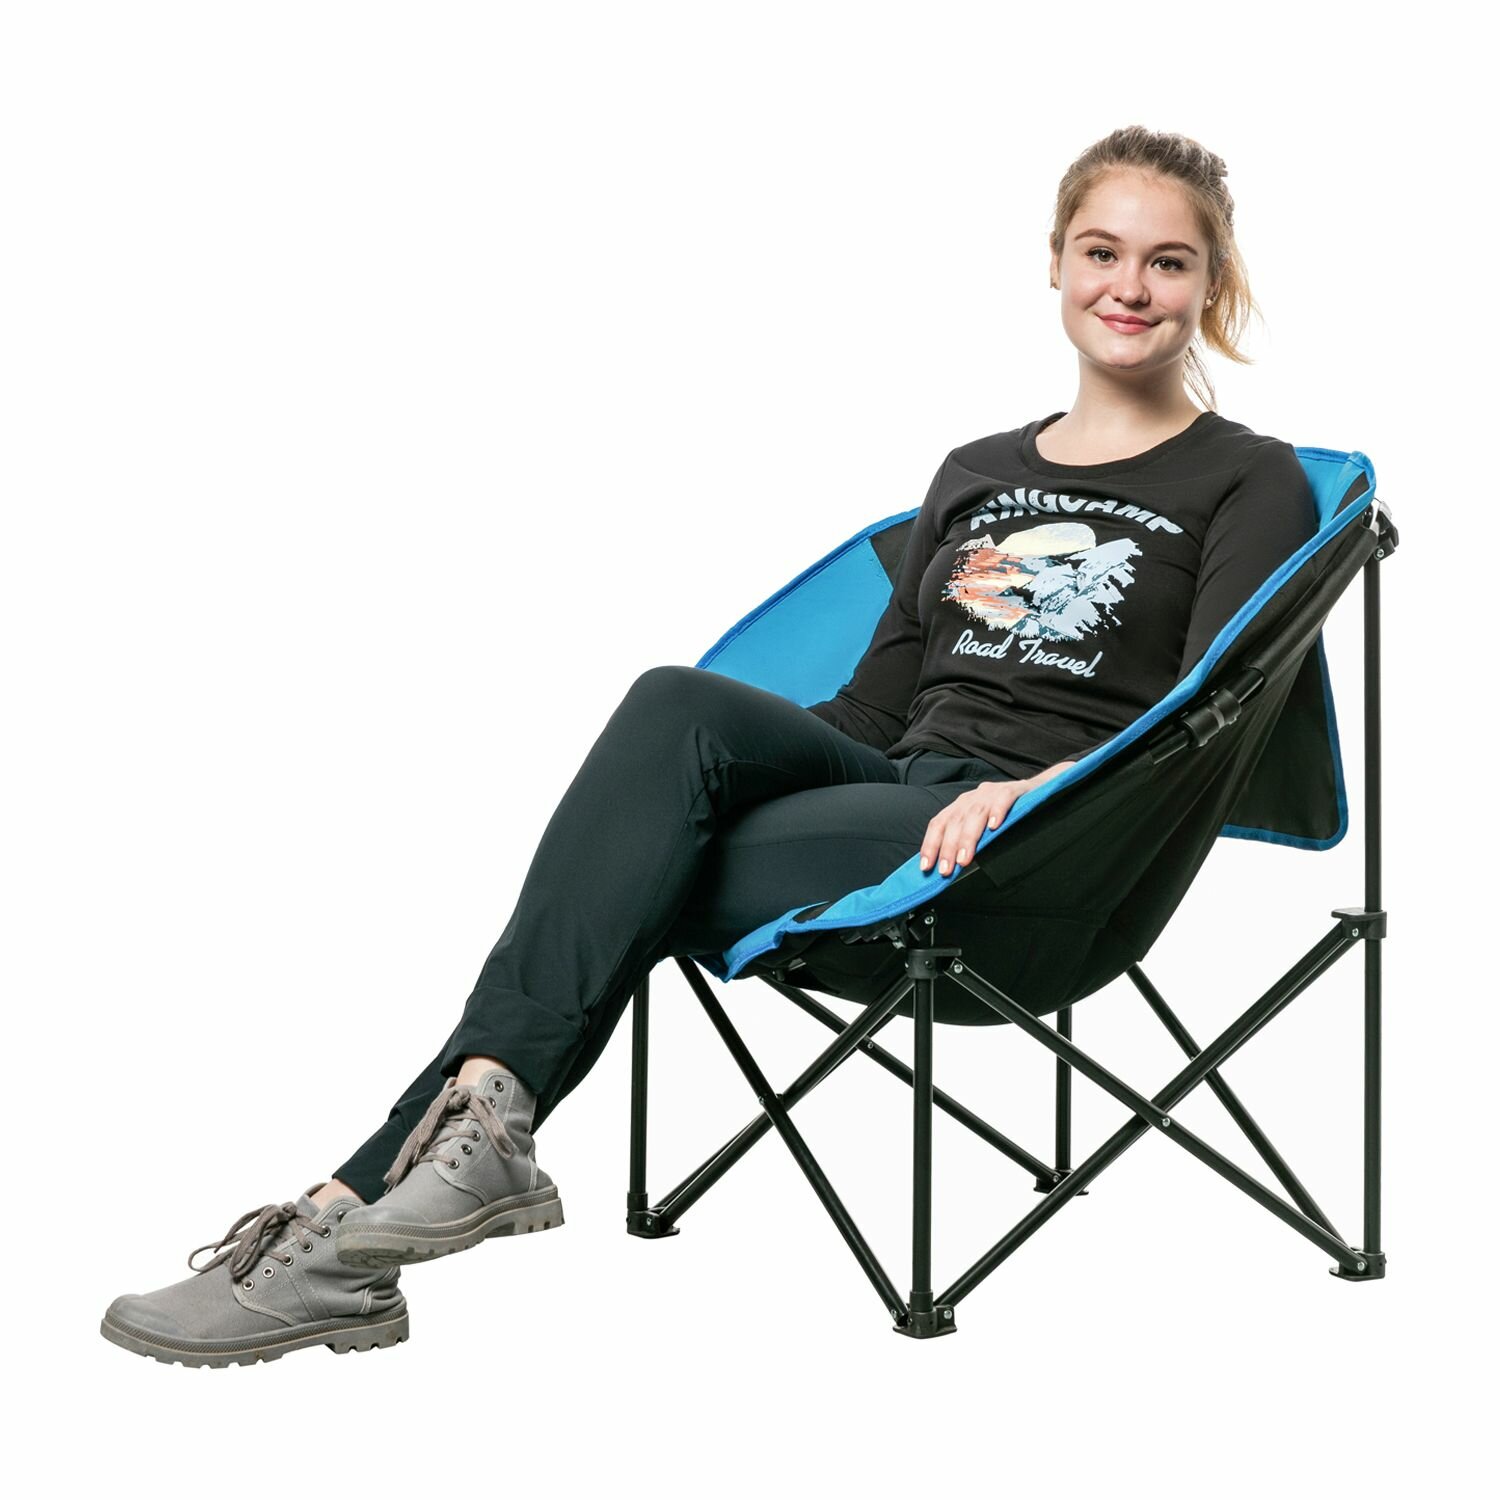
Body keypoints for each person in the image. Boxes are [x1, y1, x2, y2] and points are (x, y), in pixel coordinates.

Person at [100, 123, 1319, 1365]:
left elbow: (1207, 705)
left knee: (627, 874)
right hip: (895, 794)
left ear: (1210, 282)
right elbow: (871, 714)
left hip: (1039, 850)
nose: (1129, 287)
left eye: (1168, 262)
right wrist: (692, 787)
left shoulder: (1250, 479)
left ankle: (335, 1230)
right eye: (1101, 252)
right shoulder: (975, 470)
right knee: (674, 709)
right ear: (1055, 261)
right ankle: (408, 1186)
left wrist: (1044, 789)